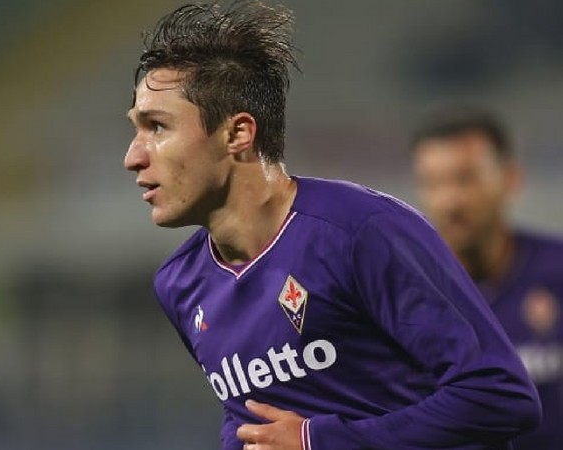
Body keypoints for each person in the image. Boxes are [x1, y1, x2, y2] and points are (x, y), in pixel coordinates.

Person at [123, 2, 541, 449]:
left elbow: (499, 396)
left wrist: (317, 440)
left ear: (238, 134)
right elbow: (248, 418)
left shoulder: (361, 232)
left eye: (157, 127)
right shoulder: (179, 283)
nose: (133, 157)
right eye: (136, 129)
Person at [411, 103, 563, 450]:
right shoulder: (404, 294)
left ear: (510, 179)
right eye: (432, 183)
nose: (450, 201)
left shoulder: (557, 271)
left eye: (465, 179)